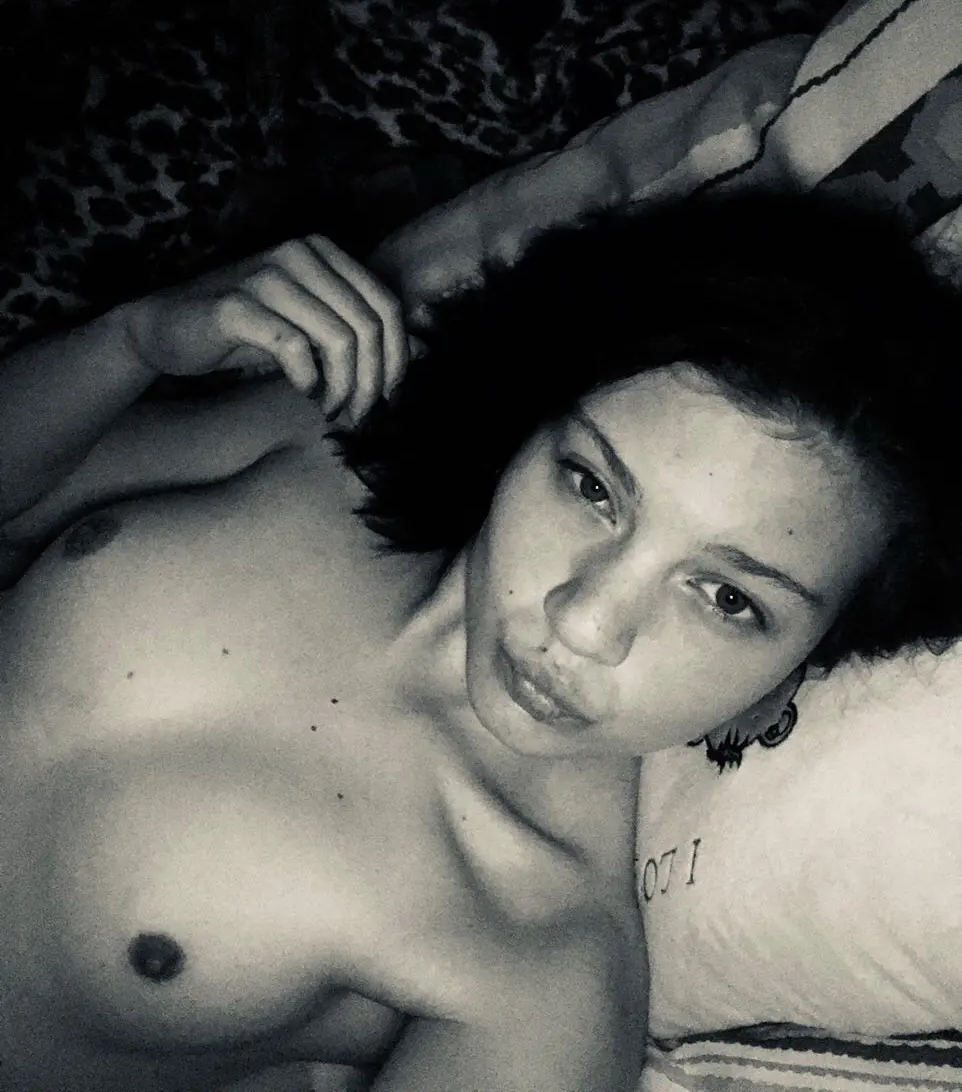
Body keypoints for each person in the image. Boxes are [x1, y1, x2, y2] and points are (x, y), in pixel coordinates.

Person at [1, 192, 962, 1092]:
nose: (584, 623)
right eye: (592, 488)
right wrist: (132, 340)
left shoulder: (539, 970)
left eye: (725, 598)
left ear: (802, 666)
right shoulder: (322, 448)